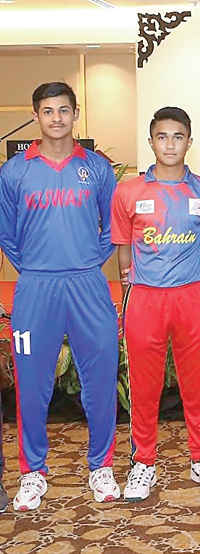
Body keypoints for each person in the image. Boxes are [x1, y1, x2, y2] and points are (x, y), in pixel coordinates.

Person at [0, 82, 120, 510]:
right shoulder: (15, 172)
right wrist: (36, 268)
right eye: (48, 111)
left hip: (89, 285)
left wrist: (87, 261)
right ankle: (33, 473)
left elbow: (113, 227)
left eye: (64, 110)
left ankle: (100, 466)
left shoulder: (98, 168)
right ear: (36, 116)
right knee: (31, 386)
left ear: (75, 113)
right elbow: (7, 236)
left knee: (101, 381)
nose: (56, 118)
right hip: (35, 289)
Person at [112, 107, 200, 502]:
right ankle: (143, 462)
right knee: (144, 387)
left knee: (198, 385)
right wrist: (136, 278)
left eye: (177, 137)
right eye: (162, 137)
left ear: (189, 143)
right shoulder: (128, 192)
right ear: (151, 142)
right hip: (145, 299)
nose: (169, 144)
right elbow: (123, 248)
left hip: (192, 296)